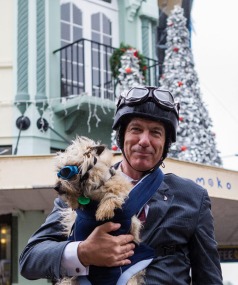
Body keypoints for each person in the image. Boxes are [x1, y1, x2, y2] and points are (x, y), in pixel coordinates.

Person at [19, 86, 223, 284]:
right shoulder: (81, 186)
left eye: (155, 132)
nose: (144, 140)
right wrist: (83, 252)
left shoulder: (192, 198)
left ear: (165, 143)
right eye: (136, 129)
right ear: (122, 136)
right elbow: (29, 259)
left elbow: (209, 278)